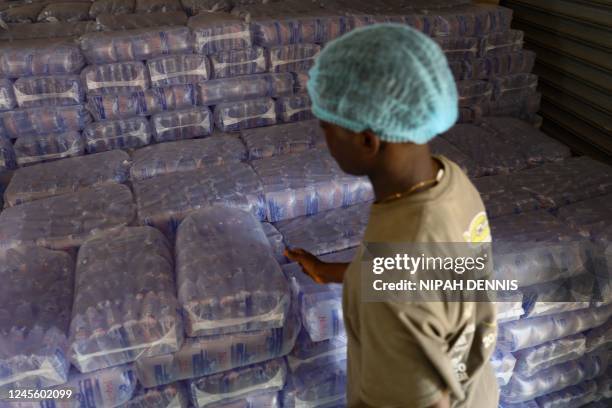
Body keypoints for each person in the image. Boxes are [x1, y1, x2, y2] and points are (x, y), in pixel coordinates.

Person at [284, 24, 499, 408]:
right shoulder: (447, 180)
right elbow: (429, 274)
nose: (325, 139)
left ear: (368, 140)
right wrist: (333, 272)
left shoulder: (396, 291)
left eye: (327, 126)